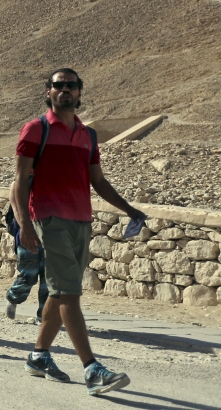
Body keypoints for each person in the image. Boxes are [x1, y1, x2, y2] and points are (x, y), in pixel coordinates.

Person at [12, 68, 145, 396]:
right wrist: (25, 225)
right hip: (50, 219)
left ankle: (39, 355)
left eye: (71, 85)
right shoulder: (36, 129)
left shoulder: (88, 135)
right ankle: (92, 369)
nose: (65, 90)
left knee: (59, 293)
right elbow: (19, 182)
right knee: (70, 293)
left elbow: (97, 180)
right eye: (59, 85)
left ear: (80, 92)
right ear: (48, 92)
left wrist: (129, 209)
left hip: (81, 221)